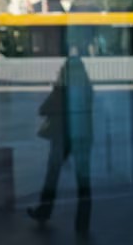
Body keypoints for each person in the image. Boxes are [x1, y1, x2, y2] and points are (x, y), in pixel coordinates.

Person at [28, 47, 95, 234]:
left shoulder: (61, 90)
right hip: (83, 136)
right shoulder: (87, 89)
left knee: (52, 174)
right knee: (83, 181)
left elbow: (43, 109)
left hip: (62, 137)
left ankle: (44, 210)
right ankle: (82, 223)